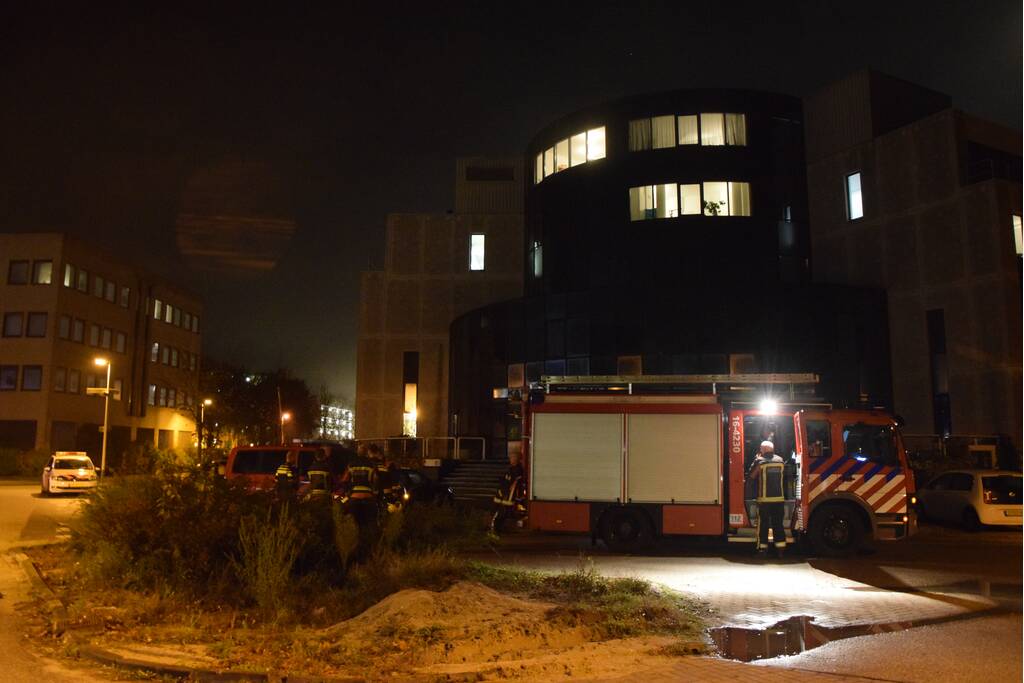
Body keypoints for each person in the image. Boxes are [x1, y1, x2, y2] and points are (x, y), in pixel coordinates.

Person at [748, 440, 787, 557]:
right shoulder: (780, 461)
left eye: (761, 449)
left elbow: (752, 476)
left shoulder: (760, 462)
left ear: (763, 450)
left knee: (763, 525)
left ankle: (762, 550)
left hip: (765, 501)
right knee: (778, 525)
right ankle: (780, 551)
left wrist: (755, 460)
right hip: (779, 499)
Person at [491, 452, 526, 532]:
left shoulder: (517, 470)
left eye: (511, 458)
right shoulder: (512, 469)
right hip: (504, 494)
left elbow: (513, 483)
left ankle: (498, 528)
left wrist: (506, 491)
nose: (510, 459)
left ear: (515, 459)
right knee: (500, 511)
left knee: (503, 512)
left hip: (507, 496)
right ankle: (497, 527)